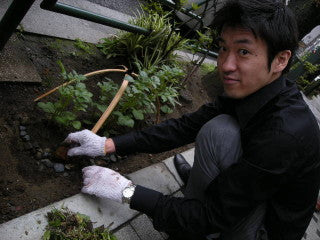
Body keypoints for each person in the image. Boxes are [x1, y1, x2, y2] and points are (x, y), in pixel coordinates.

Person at [64, 0, 320, 239]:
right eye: (222, 48)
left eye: (243, 51)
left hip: (264, 230)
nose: (226, 65)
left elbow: (214, 216)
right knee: (217, 129)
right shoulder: (256, 90)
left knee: (219, 134)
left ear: (281, 60)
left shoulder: (284, 134)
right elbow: (187, 126)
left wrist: (127, 191)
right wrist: (108, 144)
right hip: (251, 189)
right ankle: (197, 192)